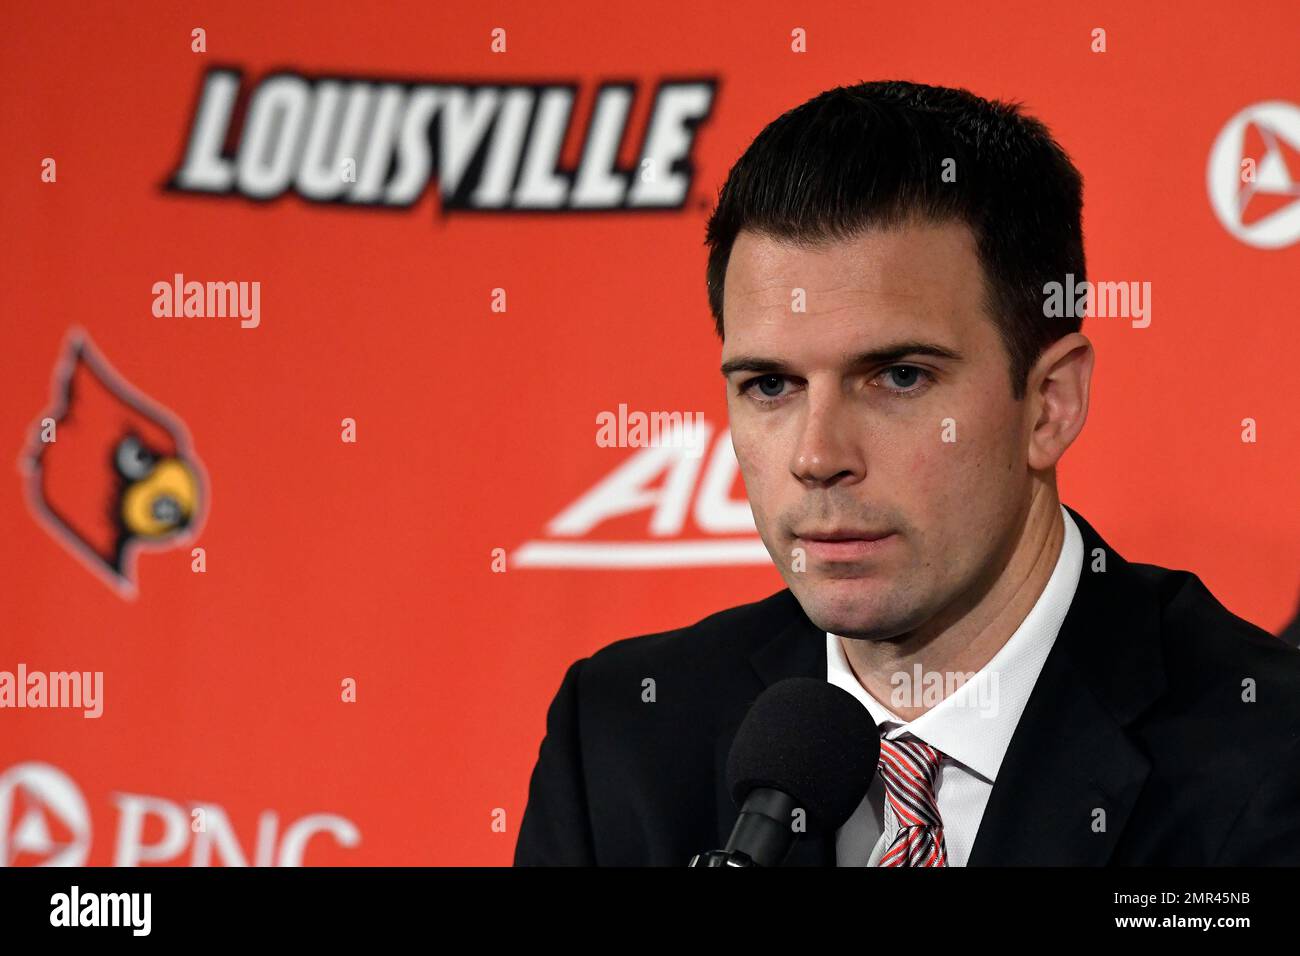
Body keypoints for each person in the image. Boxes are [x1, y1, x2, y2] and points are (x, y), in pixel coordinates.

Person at [514, 80, 1300, 866]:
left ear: (1050, 404)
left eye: (898, 378)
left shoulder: (1268, 756)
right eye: (771, 386)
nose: (817, 457)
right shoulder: (622, 739)